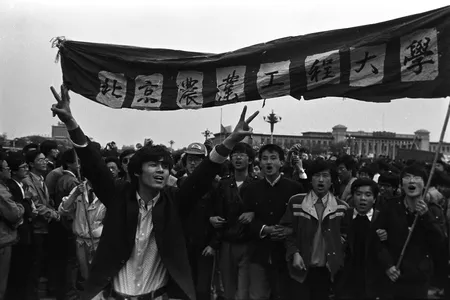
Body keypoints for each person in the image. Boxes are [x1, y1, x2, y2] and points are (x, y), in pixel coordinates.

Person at [50, 84, 258, 300]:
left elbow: (203, 175)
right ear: (137, 171)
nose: (161, 170)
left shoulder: (175, 200)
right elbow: (93, 164)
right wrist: (70, 122)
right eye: (154, 165)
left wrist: (231, 141)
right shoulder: (118, 195)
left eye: (166, 166)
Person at [374, 164, 446, 299]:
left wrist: (426, 216)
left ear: (425, 184)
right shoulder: (390, 207)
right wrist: (387, 265)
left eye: (417, 178)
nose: (412, 181)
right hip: (394, 275)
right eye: (407, 178)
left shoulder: (433, 211)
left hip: (419, 278)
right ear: (402, 184)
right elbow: (376, 240)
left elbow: (440, 242)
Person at [242, 144, 304, 300]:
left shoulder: (294, 188)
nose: (268, 162)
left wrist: (288, 231)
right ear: (259, 163)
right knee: (257, 295)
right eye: (264, 159)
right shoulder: (250, 189)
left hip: (285, 253)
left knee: (283, 294)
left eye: (273, 158)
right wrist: (264, 229)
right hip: (258, 252)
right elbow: (245, 220)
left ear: (281, 163)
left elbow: (303, 219)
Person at [281, 159, 348, 300]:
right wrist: (294, 253)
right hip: (301, 267)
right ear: (310, 179)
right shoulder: (296, 202)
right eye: (317, 176)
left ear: (332, 180)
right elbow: (287, 232)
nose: (321, 180)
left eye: (325, 175)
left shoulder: (341, 207)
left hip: (328, 271)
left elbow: (346, 236)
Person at [210, 142, 258, 300]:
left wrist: (253, 214)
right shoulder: (223, 184)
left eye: (242, 155)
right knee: (227, 287)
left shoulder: (257, 184)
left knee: (243, 290)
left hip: (247, 243)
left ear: (250, 160)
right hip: (226, 243)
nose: (237, 158)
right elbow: (214, 209)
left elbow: (265, 211)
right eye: (234, 155)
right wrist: (211, 218)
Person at [334, 178, 389, 300]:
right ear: (352, 196)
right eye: (358, 194)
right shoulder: (343, 216)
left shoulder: (381, 219)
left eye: (368, 195)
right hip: (346, 281)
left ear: (374, 199)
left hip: (372, 282)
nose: (362, 198)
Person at [0, 153, 25, 300]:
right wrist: (21, 206)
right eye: (6, 168)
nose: (8, 170)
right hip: (2, 240)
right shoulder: (2, 191)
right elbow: (14, 213)